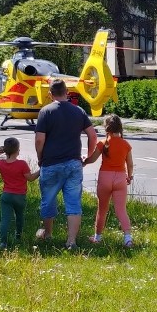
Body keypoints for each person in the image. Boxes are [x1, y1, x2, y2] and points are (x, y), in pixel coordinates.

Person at [34, 79, 98, 249]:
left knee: (48, 200)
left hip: (51, 163)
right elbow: (92, 135)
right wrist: (88, 156)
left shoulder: (45, 112)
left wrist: (40, 157)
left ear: (50, 94)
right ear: (67, 92)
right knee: (73, 203)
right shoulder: (79, 111)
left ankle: (47, 235)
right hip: (74, 164)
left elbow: (40, 139)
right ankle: (71, 241)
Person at [83, 115, 135, 247]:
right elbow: (130, 164)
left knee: (102, 209)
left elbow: (92, 159)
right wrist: (129, 176)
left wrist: (84, 161)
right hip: (120, 178)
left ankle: (97, 237)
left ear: (106, 128)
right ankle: (128, 238)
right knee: (121, 210)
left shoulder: (103, 143)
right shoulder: (126, 144)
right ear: (120, 127)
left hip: (105, 177)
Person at [0, 137, 39, 249]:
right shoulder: (22, 164)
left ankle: (3, 242)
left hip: (6, 195)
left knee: (5, 219)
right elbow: (30, 178)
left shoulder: (1, 163)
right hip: (20, 196)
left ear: (5, 151)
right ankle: (18, 237)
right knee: (19, 217)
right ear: (18, 150)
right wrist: (41, 170)